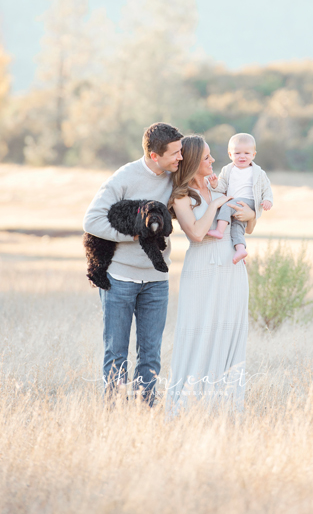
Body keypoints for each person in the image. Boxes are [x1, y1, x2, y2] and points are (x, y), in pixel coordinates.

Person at [83, 122, 184, 405]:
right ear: (155, 155)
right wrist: (135, 236)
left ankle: (147, 411)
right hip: (120, 279)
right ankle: (113, 412)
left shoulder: (175, 177)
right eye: (175, 153)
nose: (180, 157)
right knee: (116, 351)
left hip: (157, 280)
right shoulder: (124, 177)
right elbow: (91, 221)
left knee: (151, 352)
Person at [166, 135, 256, 414]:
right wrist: (216, 205)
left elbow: (247, 228)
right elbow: (195, 233)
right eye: (206, 157)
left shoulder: (221, 186)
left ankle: (224, 407)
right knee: (199, 334)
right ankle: (187, 406)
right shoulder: (181, 196)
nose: (213, 161)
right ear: (193, 162)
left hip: (232, 268)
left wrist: (250, 213)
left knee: (229, 333)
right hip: (202, 269)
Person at [208, 132, 273, 265]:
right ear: (230, 154)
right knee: (237, 228)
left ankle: (219, 231)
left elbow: (266, 188)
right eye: (237, 153)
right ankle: (240, 250)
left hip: (248, 202)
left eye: (247, 153)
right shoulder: (228, 170)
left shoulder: (258, 172)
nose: (242, 156)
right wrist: (215, 185)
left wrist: (267, 200)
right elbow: (222, 186)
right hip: (234, 200)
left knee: (227, 205)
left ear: (254, 154)